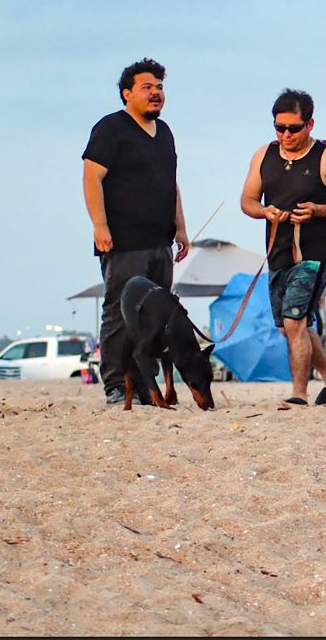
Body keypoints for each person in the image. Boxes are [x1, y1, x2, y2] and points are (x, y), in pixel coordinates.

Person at [240, 89, 326, 406]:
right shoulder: (263, 155)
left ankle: (298, 393)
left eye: (293, 128)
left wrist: (318, 210)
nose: (285, 135)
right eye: (279, 128)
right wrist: (264, 211)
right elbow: (248, 201)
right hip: (277, 250)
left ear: (310, 124)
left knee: (295, 320)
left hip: (314, 253)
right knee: (289, 327)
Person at [82, 59, 190, 406]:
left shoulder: (166, 133)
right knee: (119, 312)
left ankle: (144, 385)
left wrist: (182, 229)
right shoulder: (111, 129)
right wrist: (99, 225)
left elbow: (170, 184)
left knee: (156, 317)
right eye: (147, 87)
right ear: (127, 94)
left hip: (161, 241)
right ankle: (115, 384)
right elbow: (91, 176)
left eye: (159, 87)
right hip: (124, 241)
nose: (156, 93)